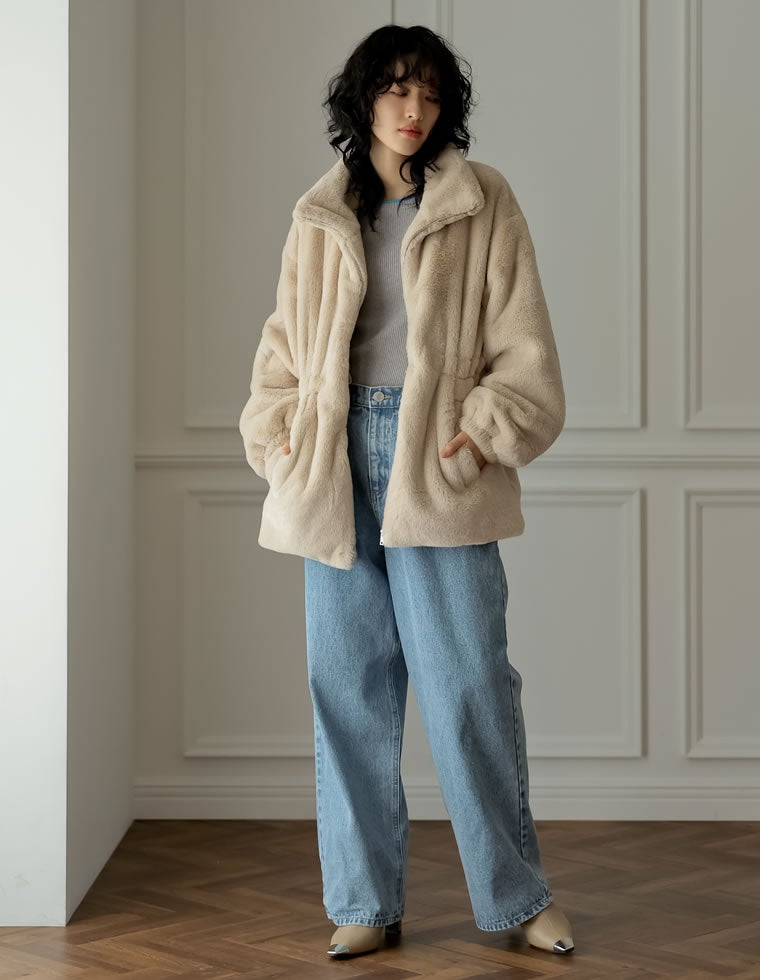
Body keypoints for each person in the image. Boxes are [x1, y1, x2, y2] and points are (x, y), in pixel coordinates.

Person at [239, 24, 574, 960]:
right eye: (394, 89)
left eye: (428, 92)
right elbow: (283, 346)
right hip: (334, 459)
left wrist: (481, 430)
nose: (412, 108)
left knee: (469, 687)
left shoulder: (481, 201)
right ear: (363, 100)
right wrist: (281, 432)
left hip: (437, 457)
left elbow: (526, 348)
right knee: (348, 688)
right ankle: (363, 900)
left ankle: (518, 898)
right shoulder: (320, 214)